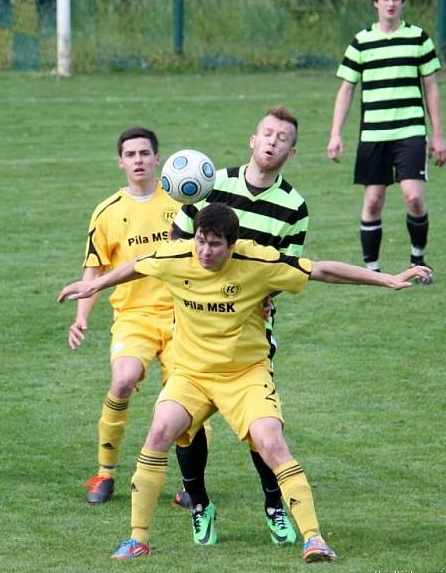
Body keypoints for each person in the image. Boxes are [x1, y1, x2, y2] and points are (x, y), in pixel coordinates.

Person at [57, 202, 430, 564]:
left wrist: (387, 279)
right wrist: (95, 286)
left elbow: (321, 270)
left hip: (245, 375)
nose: (205, 251)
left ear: (232, 245)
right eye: (201, 240)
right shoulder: (178, 255)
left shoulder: (259, 261)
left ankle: (314, 539)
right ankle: (138, 540)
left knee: (271, 442)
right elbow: (138, 264)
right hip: (191, 374)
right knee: (158, 433)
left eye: (215, 244)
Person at [170, 105, 307, 546]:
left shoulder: (294, 207)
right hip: (195, 327)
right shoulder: (211, 185)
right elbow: (178, 244)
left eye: (281, 137)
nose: (271, 142)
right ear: (252, 139)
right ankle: (199, 504)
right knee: (184, 425)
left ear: (291, 150)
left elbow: (288, 269)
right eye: (266, 133)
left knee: (261, 429)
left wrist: (265, 295)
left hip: (249, 333)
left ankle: (273, 506)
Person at [68, 127, 178, 503]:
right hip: (134, 316)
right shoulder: (107, 211)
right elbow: (94, 271)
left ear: (157, 158)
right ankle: (105, 473)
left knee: (188, 397)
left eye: (145, 153)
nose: (138, 160)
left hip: (184, 317)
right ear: (120, 162)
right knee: (122, 381)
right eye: (130, 154)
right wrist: (81, 316)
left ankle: (192, 485)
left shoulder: (181, 204)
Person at [327, 0, 445, 277]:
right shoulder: (361, 41)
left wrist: (438, 136)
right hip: (373, 134)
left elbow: (431, 87)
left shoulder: (418, 38)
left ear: (402, 2)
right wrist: (336, 133)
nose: (391, 3)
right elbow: (346, 89)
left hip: (410, 131)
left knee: (413, 196)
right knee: (373, 201)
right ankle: (373, 270)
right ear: (375, 3)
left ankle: (418, 259)